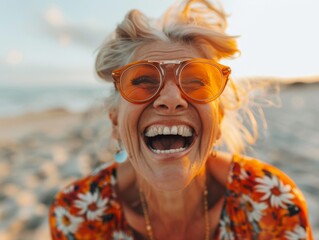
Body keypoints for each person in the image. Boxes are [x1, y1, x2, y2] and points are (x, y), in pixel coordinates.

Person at [49, 0, 313, 239]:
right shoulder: (77, 213)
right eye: (143, 80)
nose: (172, 98)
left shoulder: (273, 200)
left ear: (218, 119)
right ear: (116, 122)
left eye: (196, 81)